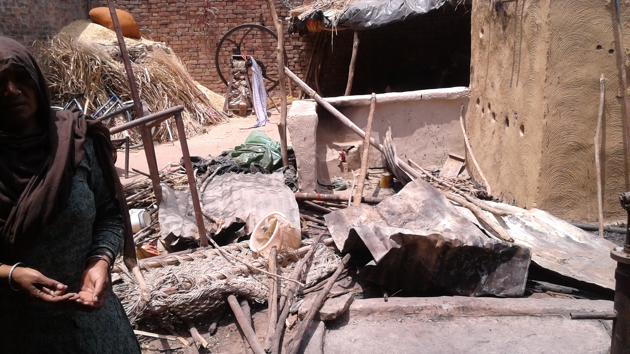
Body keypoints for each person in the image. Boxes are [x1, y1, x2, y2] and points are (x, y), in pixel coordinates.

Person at [0, 36, 140, 353]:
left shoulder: (76, 142)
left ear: (36, 79)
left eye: (20, 78)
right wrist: (11, 275)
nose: (10, 91)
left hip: (96, 323)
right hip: (18, 330)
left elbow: (109, 215)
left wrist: (100, 261)